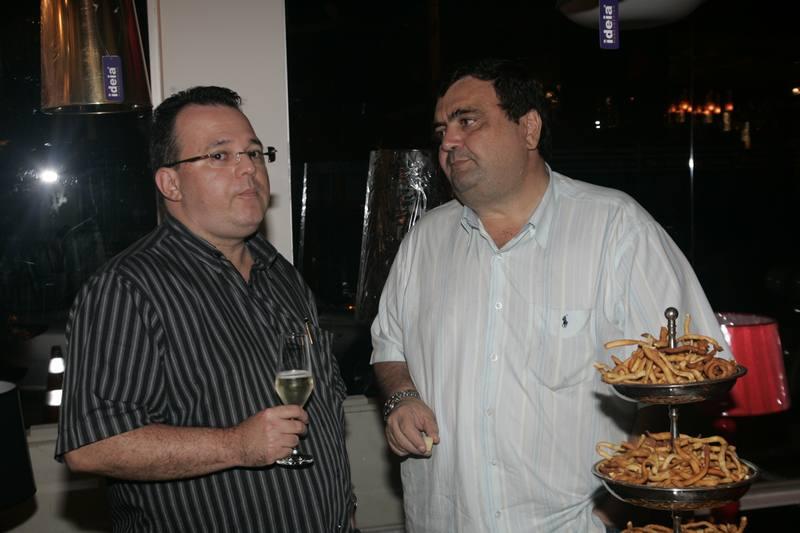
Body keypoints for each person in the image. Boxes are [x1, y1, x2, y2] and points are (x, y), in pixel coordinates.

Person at [370, 59, 730, 532]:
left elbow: (688, 382)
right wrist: (401, 398)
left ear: (529, 128)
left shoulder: (616, 228)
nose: (449, 142)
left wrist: (609, 514)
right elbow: (389, 348)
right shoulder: (425, 241)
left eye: (467, 121)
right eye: (441, 131)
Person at [56, 86, 354, 532]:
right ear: (170, 183)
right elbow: (92, 445)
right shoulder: (127, 288)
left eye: (254, 153)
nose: (248, 168)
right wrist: (237, 446)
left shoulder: (283, 276)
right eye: (219, 156)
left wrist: (344, 509)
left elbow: (326, 412)